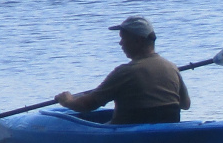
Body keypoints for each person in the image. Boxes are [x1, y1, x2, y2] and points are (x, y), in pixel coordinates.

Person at [55, 16, 191, 124]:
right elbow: (185, 104)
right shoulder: (171, 67)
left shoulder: (126, 72)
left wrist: (68, 101)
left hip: (129, 130)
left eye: (123, 38)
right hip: (167, 126)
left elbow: (87, 105)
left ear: (138, 41)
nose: (120, 43)